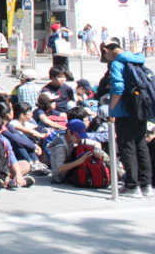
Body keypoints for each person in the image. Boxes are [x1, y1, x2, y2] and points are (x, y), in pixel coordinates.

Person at [102, 39, 153, 197]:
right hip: (142, 109)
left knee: (127, 147)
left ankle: (132, 186)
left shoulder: (117, 64)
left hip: (125, 111)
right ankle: (146, 185)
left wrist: (111, 109)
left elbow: (118, 87)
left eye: (105, 55)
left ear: (107, 50)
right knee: (141, 145)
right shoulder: (137, 60)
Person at [48, 118, 112, 185]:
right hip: (62, 176)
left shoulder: (75, 139)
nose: (80, 138)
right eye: (78, 136)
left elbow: (97, 143)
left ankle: (113, 172)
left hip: (74, 168)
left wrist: (97, 150)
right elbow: (60, 168)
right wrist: (80, 161)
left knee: (100, 153)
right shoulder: (60, 145)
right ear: (69, 132)